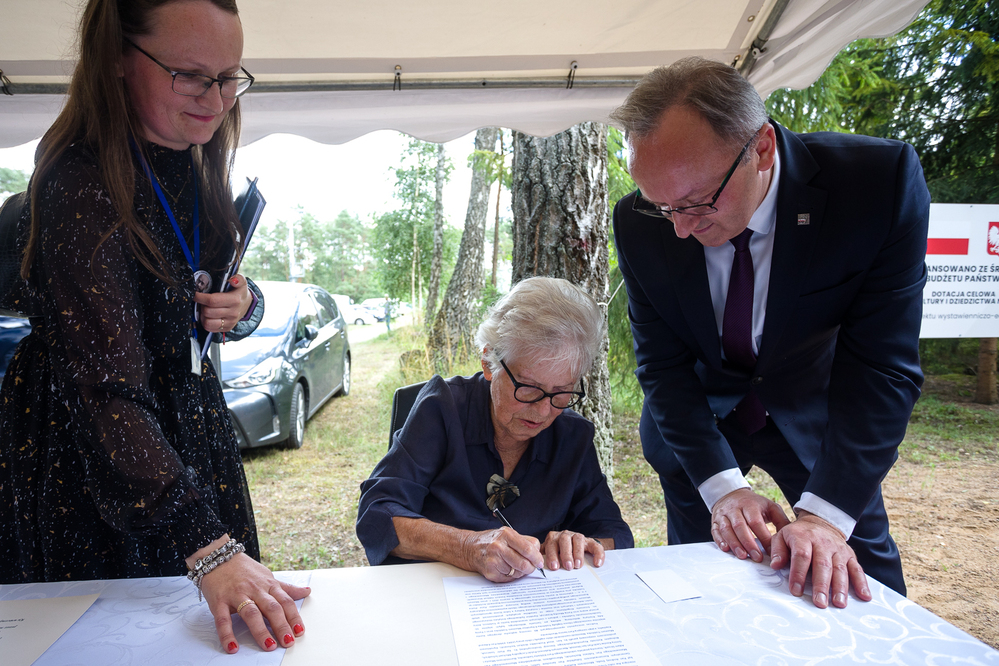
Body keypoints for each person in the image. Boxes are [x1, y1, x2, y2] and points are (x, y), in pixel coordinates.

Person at [0, 0, 309, 654]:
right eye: (192, 75)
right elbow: (105, 391)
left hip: (179, 446)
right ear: (117, 58)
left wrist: (241, 304)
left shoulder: (194, 164)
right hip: (104, 464)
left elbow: (192, 311)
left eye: (230, 76)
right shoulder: (81, 184)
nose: (218, 97)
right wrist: (205, 544)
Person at [610, 57, 928, 609]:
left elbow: (883, 365)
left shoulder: (875, 185)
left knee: (862, 581)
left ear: (761, 147)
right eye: (664, 208)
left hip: (816, 416)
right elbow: (662, 366)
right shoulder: (639, 221)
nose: (681, 229)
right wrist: (723, 488)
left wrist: (825, 518)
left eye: (696, 202)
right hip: (700, 428)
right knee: (703, 584)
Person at [357, 277, 633, 580]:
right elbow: (377, 514)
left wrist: (582, 543)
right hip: (434, 596)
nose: (543, 411)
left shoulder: (571, 436)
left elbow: (614, 532)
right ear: (490, 363)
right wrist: (466, 546)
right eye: (529, 389)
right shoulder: (442, 409)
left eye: (561, 392)